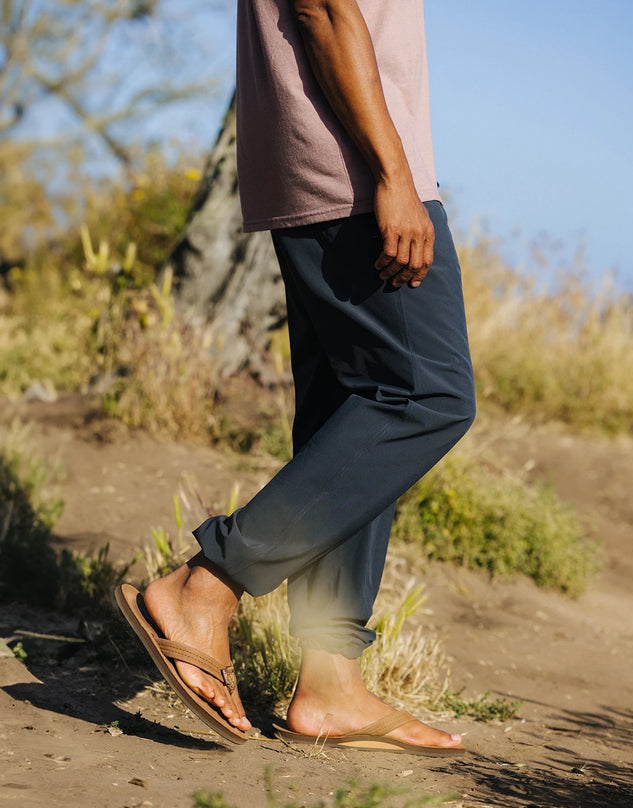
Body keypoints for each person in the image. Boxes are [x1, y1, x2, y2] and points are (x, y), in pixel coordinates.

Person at [116, 0, 475, 755]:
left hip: (329, 167)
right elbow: (320, 10)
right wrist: (395, 175)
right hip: (354, 169)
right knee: (427, 394)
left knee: (357, 402)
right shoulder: (377, 173)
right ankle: (204, 587)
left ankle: (330, 682)